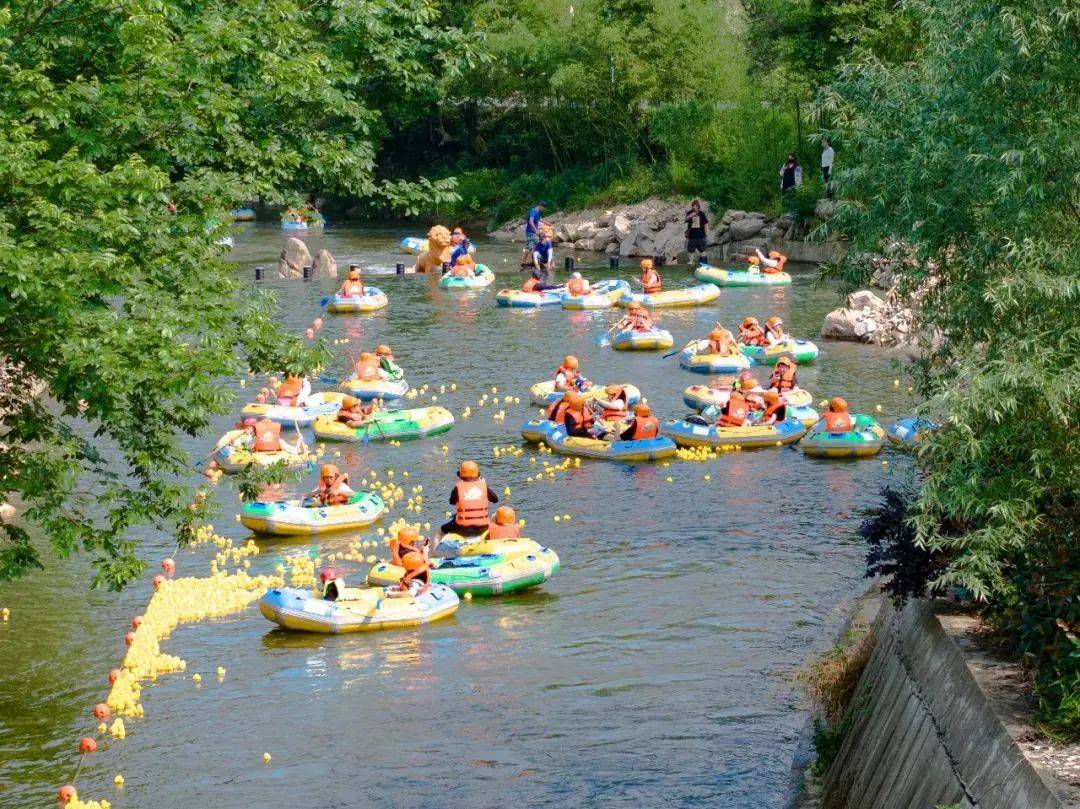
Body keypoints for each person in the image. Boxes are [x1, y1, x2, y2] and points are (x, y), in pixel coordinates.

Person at [441, 461, 498, 537]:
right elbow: (495, 500)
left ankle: (432, 544)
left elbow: (452, 502)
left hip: (463, 527)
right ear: (477, 475)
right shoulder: (483, 485)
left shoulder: (457, 487)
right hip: (483, 527)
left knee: (440, 531)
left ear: (461, 475)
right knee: (495, 515)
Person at [386, 526, 431, 597]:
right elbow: (400, 565)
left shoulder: (399, 546)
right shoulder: (410, 554)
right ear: (412, 542)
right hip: (405, 571)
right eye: (415, 541)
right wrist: (425, 553)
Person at [521, 201, 547, 266]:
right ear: (541, 206)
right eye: (543, 208)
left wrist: (548, 223)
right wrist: (536, 230)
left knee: (529, 248)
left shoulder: (538, 212)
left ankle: (525, 261)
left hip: (533, 233)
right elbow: (531, 221)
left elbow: (540, 219)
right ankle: (532, 261)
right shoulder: (533, 211)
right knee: (538, 245)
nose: (543, 210)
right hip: (530, 232)